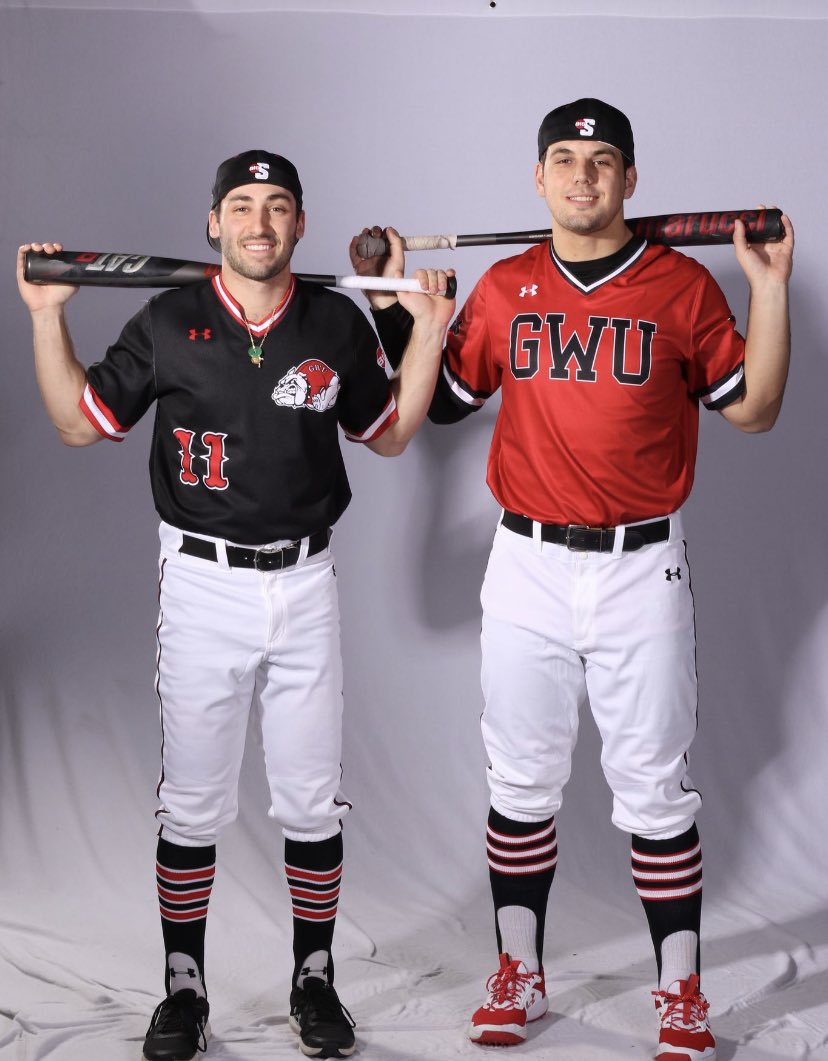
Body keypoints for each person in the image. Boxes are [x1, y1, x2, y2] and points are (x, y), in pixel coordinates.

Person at [351, 99, 793, 1059]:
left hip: (642, 566)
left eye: (603, 161)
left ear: (632, 179)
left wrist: (768, 287)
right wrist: (394, 303)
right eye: (564, 158)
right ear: (539, 178)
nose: (582, 176)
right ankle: (523, 974)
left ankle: (681, 992)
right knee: (520, 780)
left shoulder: (681, 287)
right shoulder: (509, 286)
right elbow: (447, 401)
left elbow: (754, 410)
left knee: (657, 791)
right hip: (526, 565)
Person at [16, 149, 455, 1061]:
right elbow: (74, 420)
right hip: (203, 584)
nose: (260, 223)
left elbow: (393, 433)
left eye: (279, 206)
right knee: (193, 804)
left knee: (311, 800)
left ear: (299, 225)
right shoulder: (169, 318)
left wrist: (431, 329)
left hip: (305, 582)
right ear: (213, 223)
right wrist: (45, 318)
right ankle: (184, 986)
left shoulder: (335, 321)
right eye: (242, 206)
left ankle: (315, 975)